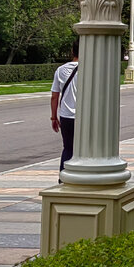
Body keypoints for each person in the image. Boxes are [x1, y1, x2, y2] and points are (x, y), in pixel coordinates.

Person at [51, 43, 79, 177]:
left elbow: (54, 96)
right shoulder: (90, 70)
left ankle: (63, 178)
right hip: (83, 117)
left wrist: (53, 117)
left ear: (72, 51)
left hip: (66, 116)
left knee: (68, 148)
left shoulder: (60, 70)